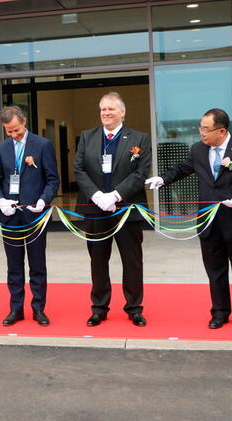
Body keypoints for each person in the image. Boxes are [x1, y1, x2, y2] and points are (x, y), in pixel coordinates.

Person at [146, 108, 232, 331]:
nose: (201, 133)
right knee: (215, 270)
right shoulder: (199, 150)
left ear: (221, 131)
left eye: (205, 129)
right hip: (209, 223)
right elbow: (183, 169)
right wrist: (162, 179)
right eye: (200, 128)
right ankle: (219, 312)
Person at [75, 92, 152, 327]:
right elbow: (79, 169)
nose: (106, 113)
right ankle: (99, 308)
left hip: (127, 210)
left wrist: (116, 195)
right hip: (95, 209)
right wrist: (98, 196)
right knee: (98, 260)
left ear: (122, 112)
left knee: (132, 261)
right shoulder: (88, 137)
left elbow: (141, 173)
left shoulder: (140, 138)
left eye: (111, 109)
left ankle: (134, 308)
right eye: (103, 109)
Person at [0, 106, 59, 327]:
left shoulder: (42, 145)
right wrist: (1, 200)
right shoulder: (1, 148)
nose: (13, 135)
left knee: (37, 264)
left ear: (24, 121)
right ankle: (16, 308)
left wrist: (43, 200)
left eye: (16, 130)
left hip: (35, 215)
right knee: (14, 265)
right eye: (9, 132)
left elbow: (52, 179)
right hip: (10, 215)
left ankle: (38, 308)